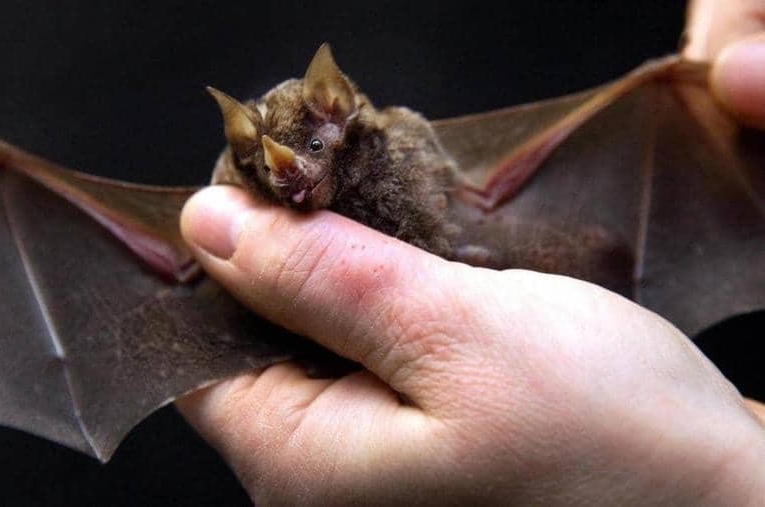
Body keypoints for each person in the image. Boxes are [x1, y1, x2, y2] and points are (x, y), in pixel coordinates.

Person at [176, 1, 765, 503]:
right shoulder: (234, 200)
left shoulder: (403, 148)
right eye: (272, 164)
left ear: (335, 107)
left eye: (310, 147)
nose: (292, 173)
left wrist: (718, 480)